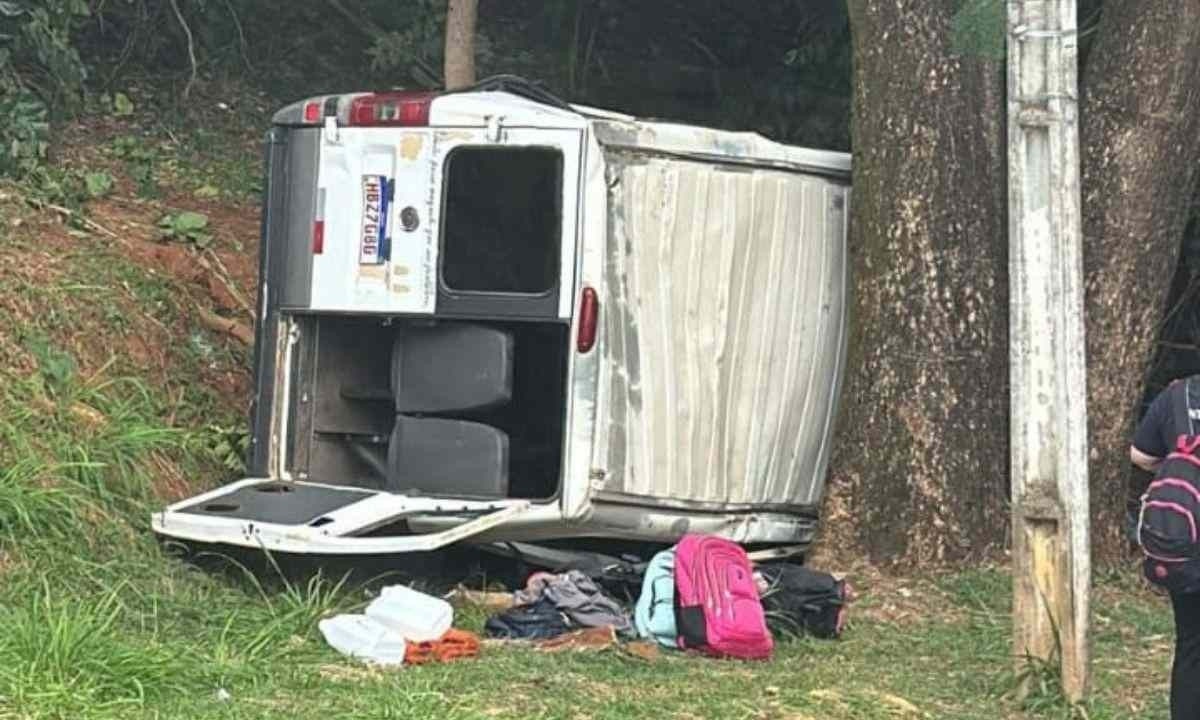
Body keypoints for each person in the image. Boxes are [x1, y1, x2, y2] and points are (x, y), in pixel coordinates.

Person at [1131, 376, 1200, 720]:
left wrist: (1182, 467)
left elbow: (1140, 455)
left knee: (1191, 645)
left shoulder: (1178, 395)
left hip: (1184, 543)